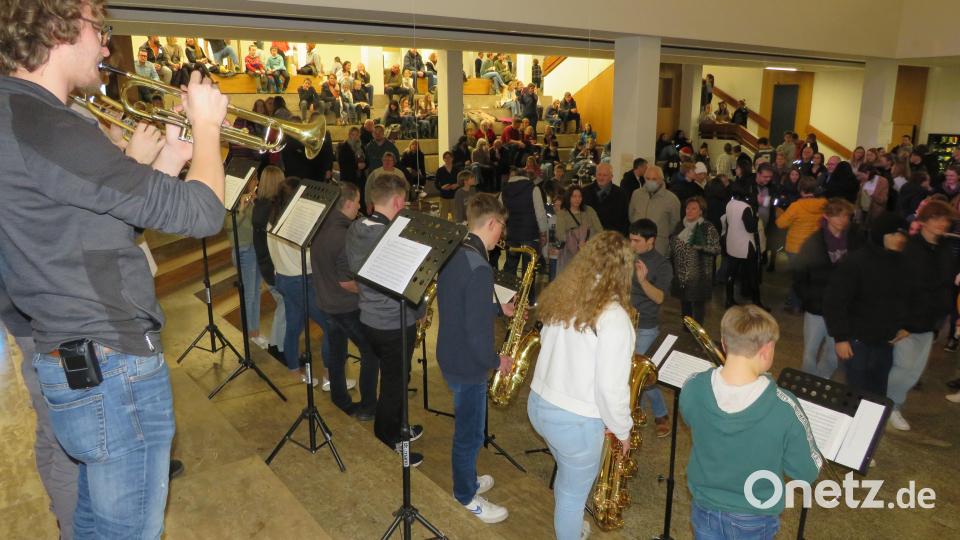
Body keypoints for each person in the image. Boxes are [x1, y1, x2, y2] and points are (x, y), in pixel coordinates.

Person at [0, 3, 228, 536]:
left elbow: (91, 234)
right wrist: (209, 127)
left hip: (73, 356)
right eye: (100, 31)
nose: (107, 45)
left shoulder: (17, 115)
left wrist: (170, 161)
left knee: (92, 526)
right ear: (61, 28)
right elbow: (203, 213)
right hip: (111, 366)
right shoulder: (51, 126)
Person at [527, 232, 637, 540]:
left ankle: (571, 525)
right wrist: (622, 430)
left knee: (567, 477)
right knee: (573, 495)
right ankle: (569, 528)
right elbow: (610, 387)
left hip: (539, 405)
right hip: (574, 420)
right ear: (623, 269)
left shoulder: (564, 294)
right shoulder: (614, 317)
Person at [680, 306, 821, 540]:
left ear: (724, 344)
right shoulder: (784, 406)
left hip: (703, 506)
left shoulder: (693, 386)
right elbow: (806, 471)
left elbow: (692, 418)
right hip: (755, 515)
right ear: (766, 350)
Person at [436, 194, 513, 523]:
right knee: (469, 433)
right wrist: (498, 362)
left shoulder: (455, 248)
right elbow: (479, 336)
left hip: (449, 351)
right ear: (492, 223)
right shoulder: (481, 267)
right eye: (501, 228)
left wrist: (496, 306)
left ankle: (467, 478)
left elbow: (459, 299)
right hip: (469, 363)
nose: (502, 235)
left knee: (467, 428)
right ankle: (465, 494)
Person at [345, 173, 426, 465]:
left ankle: (398, 425)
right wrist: (421, 311)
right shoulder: (391, 237)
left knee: (392, 378)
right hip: (393, 321)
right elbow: (410, 284)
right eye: (403, 201)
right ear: (396, 201)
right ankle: (388, 435)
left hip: (368, 316)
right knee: (395, 382)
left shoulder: (357, 227)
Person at [824, 212, 909, 396]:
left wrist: (904, 324)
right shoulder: (855, 262)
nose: (900, 239)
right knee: (856, 393)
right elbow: (835, 301)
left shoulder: (901, 262)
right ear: (881, 235)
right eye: (894, 234)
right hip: (857, 341)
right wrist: (840, 338)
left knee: (877, 393)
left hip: (885, 341)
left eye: (903, 235)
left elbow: (904, 297)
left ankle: (873, 424)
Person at [888, 201, 957, 429]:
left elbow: (945, 285)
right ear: (924, 221)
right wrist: (904, 323)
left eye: (944, 219)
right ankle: (888, 407)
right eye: (936, 218)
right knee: (903, 369)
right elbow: (904, 289)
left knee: (914, 371)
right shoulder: (910, 249)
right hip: (908, 321)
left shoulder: (944, 249)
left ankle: (889, 405)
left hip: (929, 321)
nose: (941, 223)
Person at [311, 182, 377, 416]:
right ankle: (368, 406)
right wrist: (372, 291)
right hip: (344, 307)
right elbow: (346, 282)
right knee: (371, 351)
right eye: (357, 201)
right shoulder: (344, 235)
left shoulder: (320, 226)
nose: (359, 206)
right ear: (348, 204)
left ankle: (340, 400)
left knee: (337, 353)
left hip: (326, 303)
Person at [794, 198, 860, 379]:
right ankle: (807, 383)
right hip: (816, 306)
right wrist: (807, 298)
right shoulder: (814, 242)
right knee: (810, 351)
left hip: (841, 308)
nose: (842, 220)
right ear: (827, 217)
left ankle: (822, 381)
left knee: (833, 352)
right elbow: (800, 273)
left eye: (845, 216)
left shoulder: (854, 240)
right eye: (837, 216)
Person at [628, 219, 674, 437]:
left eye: (637, 240)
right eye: (630, 239)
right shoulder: (628, 256)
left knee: (643, 376)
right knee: (624, 372)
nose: (632, 244)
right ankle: (629, 412)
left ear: (651, 241)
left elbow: (659, 298)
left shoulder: (662, 264)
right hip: (623, 323)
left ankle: (661, 414)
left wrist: (643, 281)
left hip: (646, 326)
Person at [775, 176, 826, 313]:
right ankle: (804, 302)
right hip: (814, 247)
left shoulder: (796, 206)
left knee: (797, 277)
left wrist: (779, 212)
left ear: (801, 190)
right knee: (809, 277)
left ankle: (795, 305)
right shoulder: (824, 204)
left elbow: (781, 223)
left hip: (796, 247)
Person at [500, 166, 549, 302]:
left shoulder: (504, 190)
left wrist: (503, 231)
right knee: (528, 270)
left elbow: (500, 212)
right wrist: (543, 233)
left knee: (510, 267)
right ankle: (527, 300)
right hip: (530, 234)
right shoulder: (533, 188)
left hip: (511, 235)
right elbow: (540, 214)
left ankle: (507, 298)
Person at [669, 197, 721, 324]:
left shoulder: (707, 227)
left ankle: (697, 333)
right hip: (681, 274)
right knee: (684, 305)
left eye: (694, 209)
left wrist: (700, 247)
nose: (689, 211)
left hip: (700, 276)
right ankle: (686, 331)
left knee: (698, 307)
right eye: (688, 208)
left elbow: (717, 249)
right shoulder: (680, 225)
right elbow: (672, 242)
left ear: (701, 211)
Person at [725, 183, 765, 309]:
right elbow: (751, 228)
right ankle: (757, 302)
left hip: (732, 243)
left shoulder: (729, 204)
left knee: (731, 274)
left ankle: (729, 300)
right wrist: (757, 217)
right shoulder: (745, 207)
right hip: (745, 246)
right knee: (752, 275)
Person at [629, 165, 681, 256]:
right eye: (648, 178)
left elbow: (674, 223)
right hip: (636, 242)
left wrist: (661, 233)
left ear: (661, 180)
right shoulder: (636, 194)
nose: (650, 181)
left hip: (658, 244)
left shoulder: (672, 199)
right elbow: (631, 215)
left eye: (654, 179)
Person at [555, 185, 604, 274]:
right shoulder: (562, 214)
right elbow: (560, 234)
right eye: (574, 196)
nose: (577, 199)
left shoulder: (589, 210)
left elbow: (599, 230)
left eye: (580, 196)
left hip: (588, 253)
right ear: (568, 198)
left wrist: (587, 242)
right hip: (569, 255)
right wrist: (576, 242)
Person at [581, 163, 629, 235]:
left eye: (605, 175)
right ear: (595, 175)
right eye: (599, 174)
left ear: (611, 177)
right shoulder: (584, 192)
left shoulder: (621, 194)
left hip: (612, 236)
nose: (601, 178)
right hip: (589, 236)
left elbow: (625, 218)